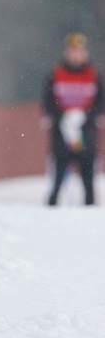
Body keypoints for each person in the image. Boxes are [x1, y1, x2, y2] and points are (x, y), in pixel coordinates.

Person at [42, 31, 103, 206]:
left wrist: (85, 116)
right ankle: (50, 211)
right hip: (62, 134)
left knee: (88, 181)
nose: (75, 55)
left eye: (79, 51)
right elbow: (48, 101)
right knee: (57, 179)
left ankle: (90, 213)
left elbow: (101, 102)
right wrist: (63, 117)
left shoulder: (94, 75)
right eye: (72, 51)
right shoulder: (56, 73)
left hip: (87, 134)